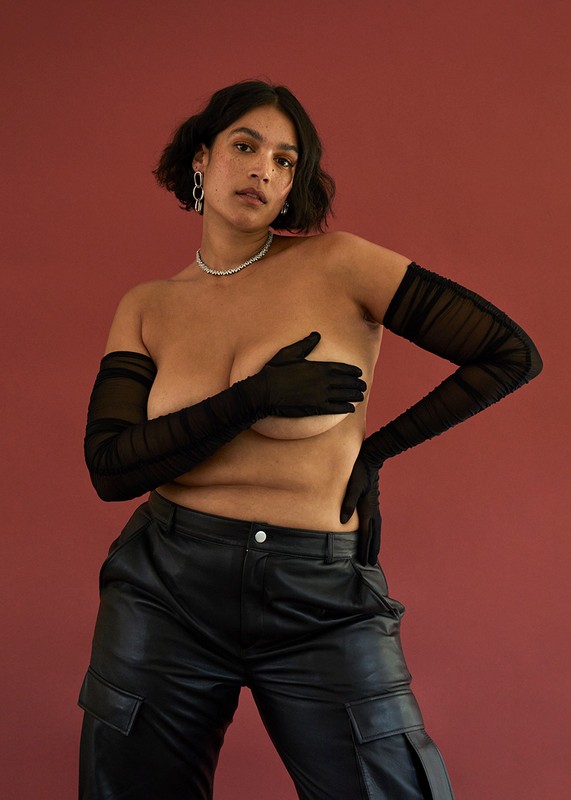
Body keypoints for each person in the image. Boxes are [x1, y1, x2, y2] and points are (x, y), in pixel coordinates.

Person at [78, 80, 542, 800]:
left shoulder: (341, 266)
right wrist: (252, 399)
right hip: (163, 587)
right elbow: (110, 467)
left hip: (317, 594)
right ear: (201, 159)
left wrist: (375, 451)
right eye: (244, 146)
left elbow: (510, 353)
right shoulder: (148, 307)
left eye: (284, 160)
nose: (262, 170)